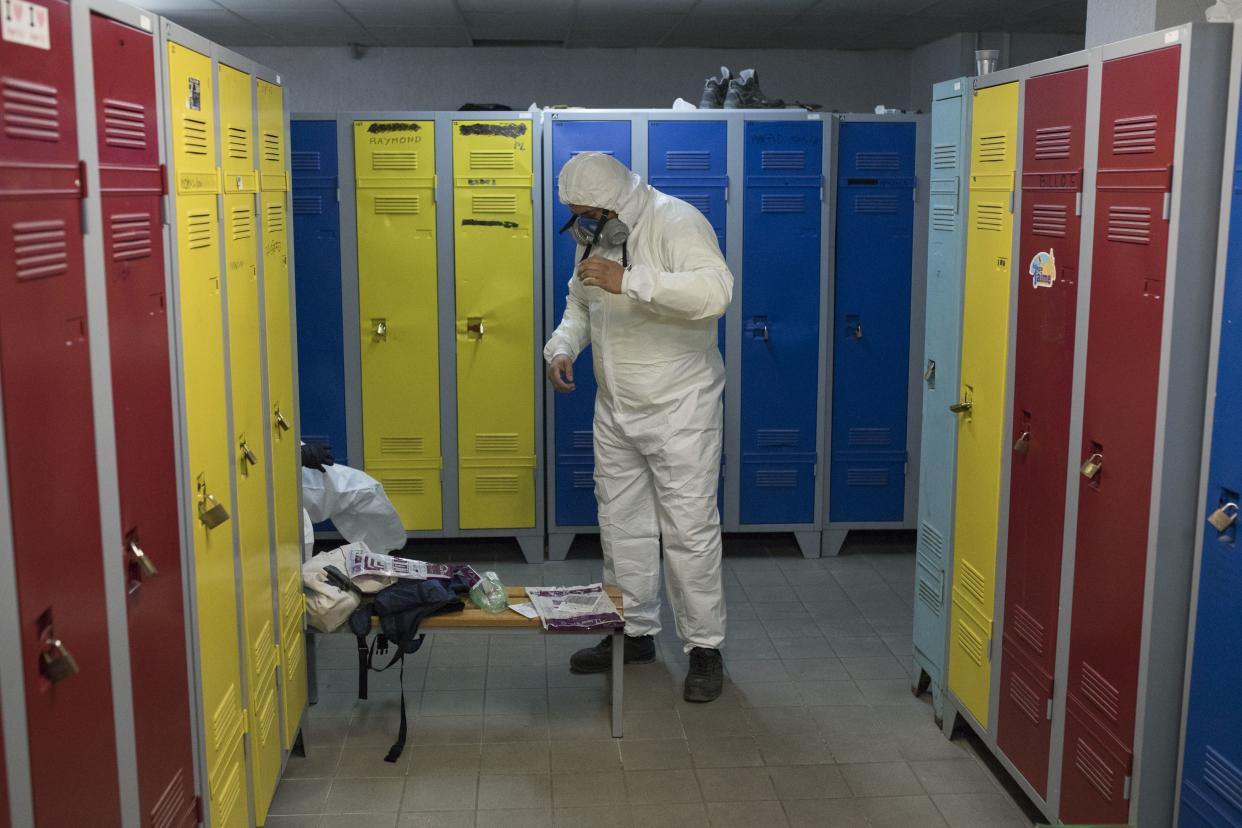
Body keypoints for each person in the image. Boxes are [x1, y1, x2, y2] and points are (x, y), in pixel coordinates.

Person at [544, 152, 732, 703]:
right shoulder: (596, 234)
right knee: (621, 525)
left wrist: (633, 281)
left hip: (681, 407)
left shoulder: (678, 221)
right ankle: (634, 632)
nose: (580, 224)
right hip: (617, 408)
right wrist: (561, 347)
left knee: (689, 532)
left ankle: (704, 649)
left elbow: (715, 293)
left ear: (615, 203)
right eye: (574, 214)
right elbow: (580, 305)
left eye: (586, 213)